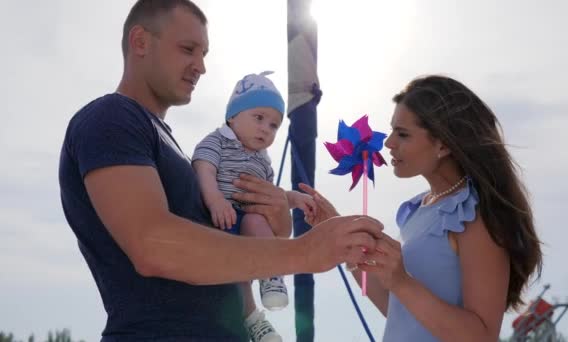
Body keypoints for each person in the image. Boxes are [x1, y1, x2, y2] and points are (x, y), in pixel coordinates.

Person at [58, 1, 382, 341]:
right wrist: (304, 252)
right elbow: (153, 245)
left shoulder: (176, 151)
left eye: (205, 54)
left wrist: (277, 216)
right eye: (188, 49)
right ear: (140, 42)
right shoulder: (111, 117)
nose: (201, 66)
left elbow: (230, 243)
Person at [301, 75, 543, 341]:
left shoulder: (474, 215)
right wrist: (345, 239)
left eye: (403, 134)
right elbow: (399, 311)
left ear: (443, 144)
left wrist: (402, 282)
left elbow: (482, 336)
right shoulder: (418, 209)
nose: (389, 142)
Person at [192, 71, 315, 342]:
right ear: (233, 116)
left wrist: (293, 199)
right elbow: (203, 169)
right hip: (218, 221)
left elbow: (271, 196)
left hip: (246, 222)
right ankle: (253, 320)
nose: (265, 129)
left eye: (273, 125)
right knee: (237, 280)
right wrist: (215, 200)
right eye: (259, 118)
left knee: (256, 222)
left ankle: (270, 274)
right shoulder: (219, 140)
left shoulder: (263, 161)